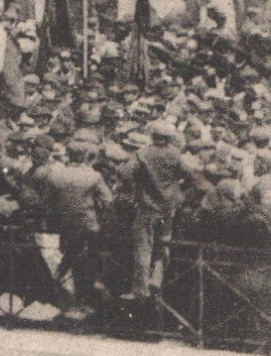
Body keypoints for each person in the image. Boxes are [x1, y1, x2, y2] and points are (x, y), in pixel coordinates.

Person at [40, 140, 115, 313]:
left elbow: (47, 203)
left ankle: (59, 279)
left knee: (73, 253)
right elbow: (108, 200)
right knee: (88, 259)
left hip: (64, 225)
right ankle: (87, 297)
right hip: (88, 225)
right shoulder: (93, 176)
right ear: (84, 156)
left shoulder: (56, 175)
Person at [124, 119, 195, 301]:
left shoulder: (143, 153)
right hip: (168, 206)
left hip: (148, 206)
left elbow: (126, 173)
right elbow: (191, 175)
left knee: (143, 247)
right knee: (164, 244)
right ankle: (157, 279)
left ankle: (140, 288)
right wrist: (176, 187)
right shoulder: (176, 154)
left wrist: (139, 184)